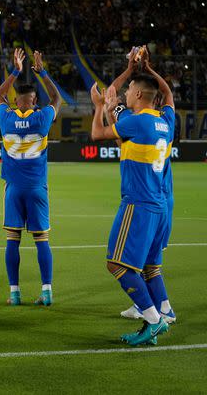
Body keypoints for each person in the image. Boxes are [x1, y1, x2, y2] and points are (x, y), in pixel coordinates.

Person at [90, 68, 174, 346]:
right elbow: (169, 96)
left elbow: (98, 133)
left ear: (138, 93)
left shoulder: (136, 123)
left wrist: (100, 107)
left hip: (138, 204)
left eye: (129, 91)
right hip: (160, 206)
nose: (126, 94)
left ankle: (153, 319)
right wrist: (147, 71)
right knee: (150, 267)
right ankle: (163, 311)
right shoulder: (166, 121)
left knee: (116, 264)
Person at [0, 48, 61, 306]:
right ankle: (47, 291)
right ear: (34, 101)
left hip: (13, 189)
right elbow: (56, 98)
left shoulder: (6, 117)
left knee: (13, 240)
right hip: (37, 188)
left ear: (15, 101)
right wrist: (41, 71)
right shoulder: (43, 117)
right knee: (41, 239)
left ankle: (14, 293)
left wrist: (15, 70)